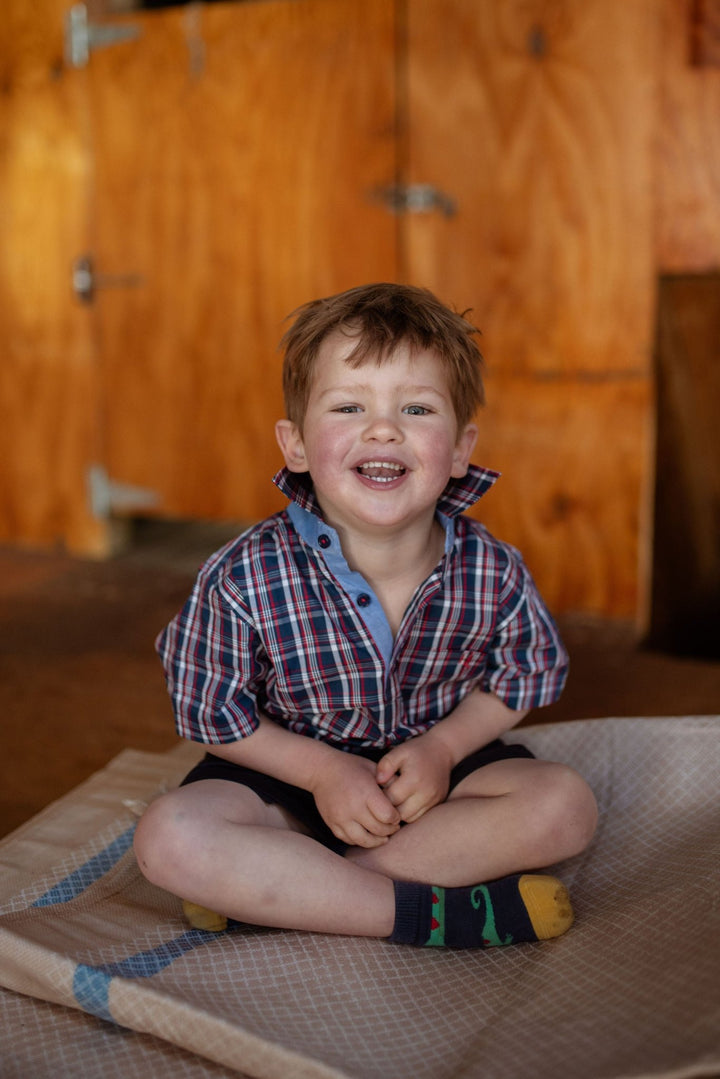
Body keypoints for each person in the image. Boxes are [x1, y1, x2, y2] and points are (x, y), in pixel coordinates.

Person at [134, 282, 598, 949]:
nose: (384, 428)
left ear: (462, 447)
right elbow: (210, 711)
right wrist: (323, 772)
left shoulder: (491, 567)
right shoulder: (243, 574)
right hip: (286, 784)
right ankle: (433, 917)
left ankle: (295, 895)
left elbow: (525, 673)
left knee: (565, 805)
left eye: (416, 407)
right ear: (295, 446)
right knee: (170, 837)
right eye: (349, 406)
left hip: (432, 789)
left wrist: (443, 748)